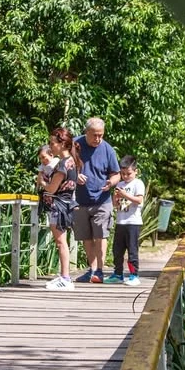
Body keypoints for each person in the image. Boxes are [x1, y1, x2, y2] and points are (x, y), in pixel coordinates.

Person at [72, 117, 121, 283]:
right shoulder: (74, 145)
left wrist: (111, 182)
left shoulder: (108, 149)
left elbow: (116, 173)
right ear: (86, 132)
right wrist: (75, 176)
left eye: (101, 135)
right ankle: (91, 269)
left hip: (102, 200)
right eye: (94, 135)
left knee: (101, 235)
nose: (98, 138)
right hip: (79, 201)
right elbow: (63, 166)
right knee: (86, 237)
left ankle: (100, 270)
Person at [42, 128, 81, 291]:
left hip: (58, 206)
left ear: (62, 144)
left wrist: (44, 185)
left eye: (53, 143)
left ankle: (65, 278)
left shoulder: (62, 165)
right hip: (66, 205)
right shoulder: (72, 161)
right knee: (62, 241)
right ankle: (64, 277)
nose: (51, 147)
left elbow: (52, 188)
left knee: (60, 242)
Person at [105, 155, 145, 286]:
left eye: (129, 173)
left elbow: (139, 200)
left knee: (132, 250)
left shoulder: (138, 183)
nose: (126, 176)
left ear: (135, 171)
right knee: (117, 250)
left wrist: (125, 194)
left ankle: (134, 275)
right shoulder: (120, 184)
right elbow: (115, 205)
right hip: (121, 222)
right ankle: (118, 274)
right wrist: (116, 198)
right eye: (123, 174)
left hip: (133, 222)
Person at [35, 143, 58, 215]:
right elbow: (39, 176)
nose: (42, 160)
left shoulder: (56, 162)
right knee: (51, 214)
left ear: (51, 155)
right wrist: (38, 187)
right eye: (40, 158)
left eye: (43, 157)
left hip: (57, 190)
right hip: (48, 191)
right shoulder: (42, 166)